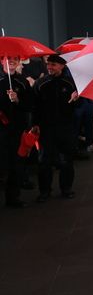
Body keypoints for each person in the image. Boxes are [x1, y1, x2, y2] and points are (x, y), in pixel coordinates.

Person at [34, 55, 79, 202]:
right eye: (48, 64)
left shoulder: (71, 84)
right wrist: (35, 125)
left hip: (66, 128)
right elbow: (35, 107)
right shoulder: (40, 83)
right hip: (46, 129)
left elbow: (77, 107)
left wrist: (77, 99)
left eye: (53, 64)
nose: (49, 67)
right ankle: (44, 191)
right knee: (44, 161)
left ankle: (66, 189)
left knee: (66, 160)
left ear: (62, 66)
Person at [1, 55, 32, 208]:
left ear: (19, 62)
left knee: (17, 165)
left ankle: (13, 198)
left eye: (14, 59)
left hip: (18, 131)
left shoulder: (23, 82)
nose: (11, 61)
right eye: (7, 58)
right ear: (1, 61)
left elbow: (30, 105)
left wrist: (18, 100)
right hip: (1, 131)